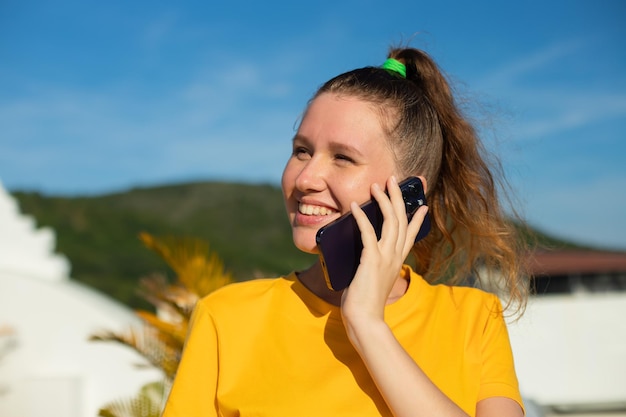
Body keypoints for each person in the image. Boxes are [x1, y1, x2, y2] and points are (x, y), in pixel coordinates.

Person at [162, 46, 529, 417]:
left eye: (342, 157)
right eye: (302, 151)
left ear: (404, 193)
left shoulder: (474, 318)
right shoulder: (226, 319)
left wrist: (368, 327)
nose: (305, 179)